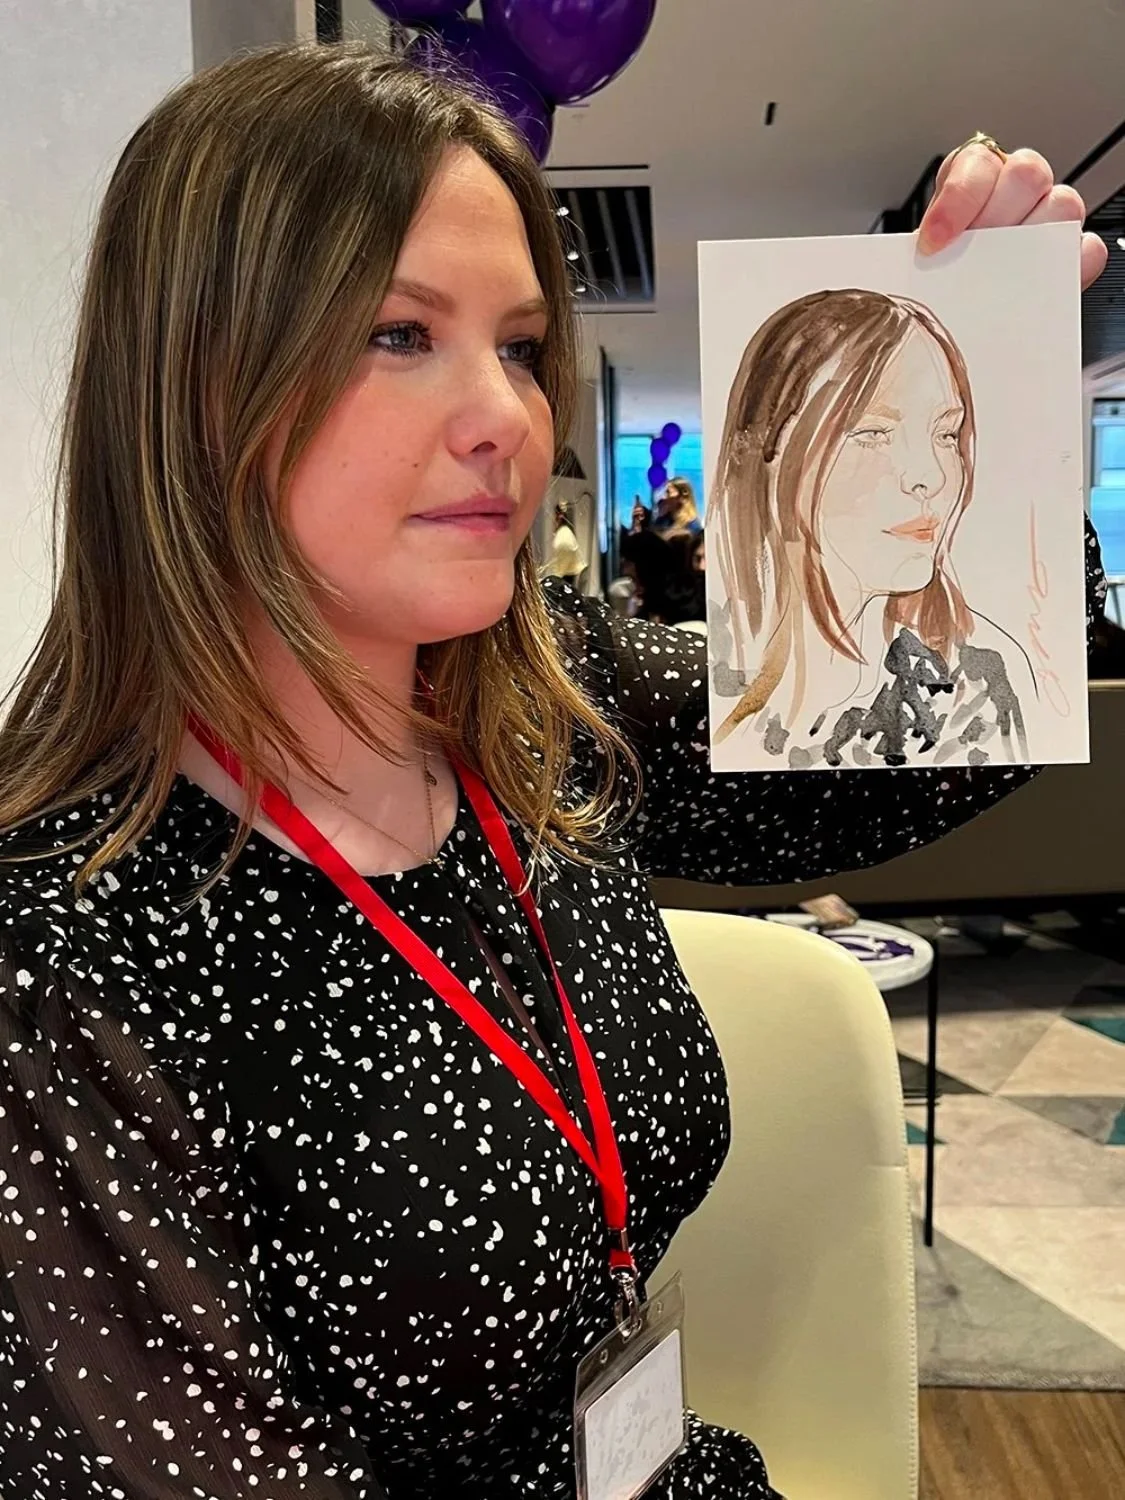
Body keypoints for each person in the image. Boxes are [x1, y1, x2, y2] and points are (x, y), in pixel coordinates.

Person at [0, 40, 1107, 1500]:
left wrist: (1001, 362)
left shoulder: (544, 710)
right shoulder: (67, 954)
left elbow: (916, 745)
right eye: (400, 334)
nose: (507, 419)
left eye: (520, 347)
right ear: (197, 382)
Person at [711, 290, 1061, 767]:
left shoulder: (976, 684)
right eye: (872, 433)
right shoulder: (711, 683)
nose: (932, 476)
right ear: (764, 452)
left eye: (945, 434)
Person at [544, 499, 584, 582]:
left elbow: (561, 569)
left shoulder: (563, 537)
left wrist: (555, 578)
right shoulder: (566, 532)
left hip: (566, 578)